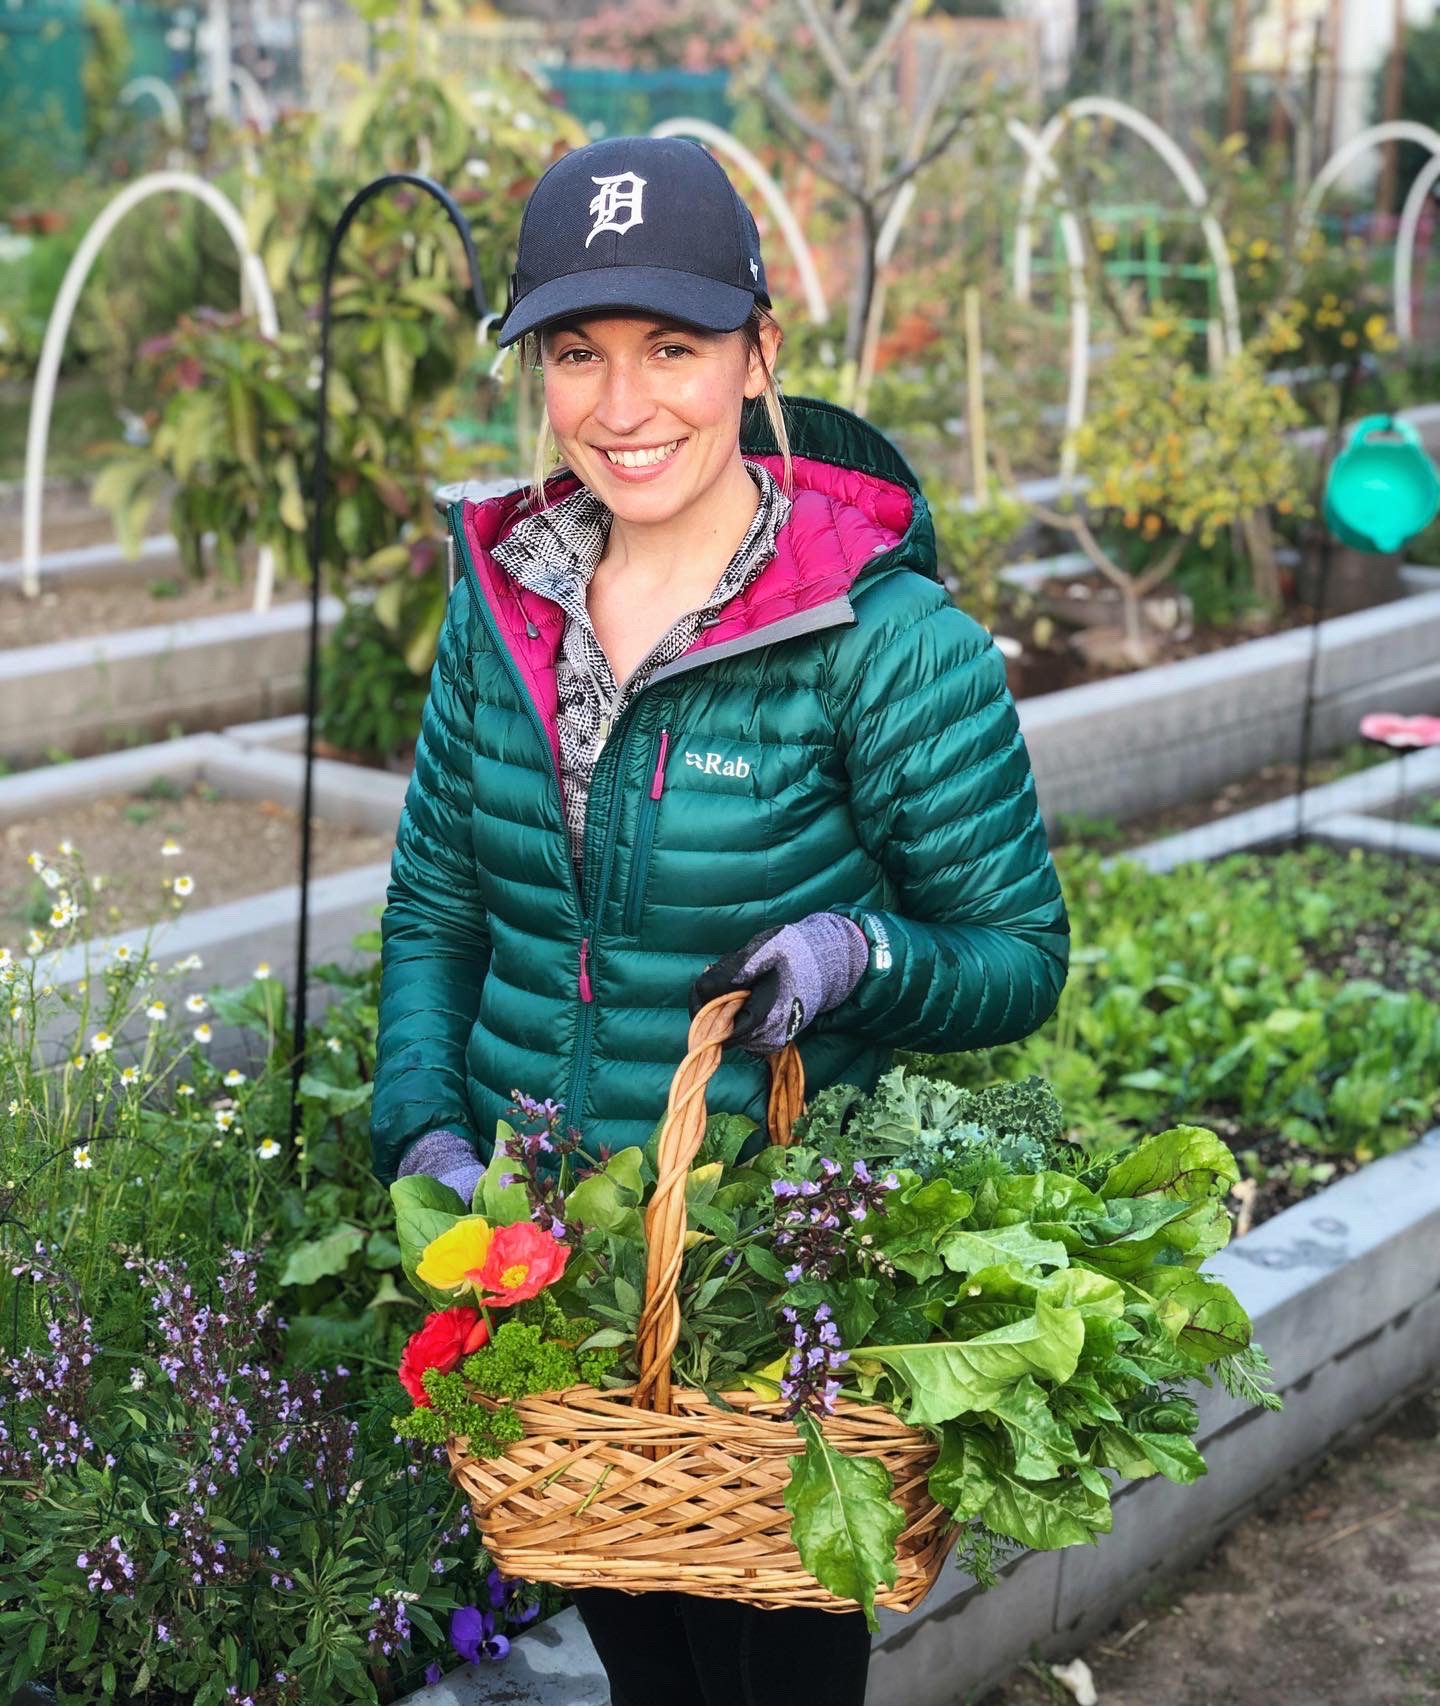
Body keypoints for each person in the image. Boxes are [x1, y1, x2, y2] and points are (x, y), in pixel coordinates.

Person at [370, 134, 1069, 1706]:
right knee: (646, 1669)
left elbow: (1020, 954)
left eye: (671, 348)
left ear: (759, 350)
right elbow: (436, 906)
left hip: (762, 1292)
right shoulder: (503, 609)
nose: (624, 407)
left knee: (769, 1671)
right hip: (557, 1280)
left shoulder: (876, 641)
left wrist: (855, 955)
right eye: (578, 352)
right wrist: (423, 1135)